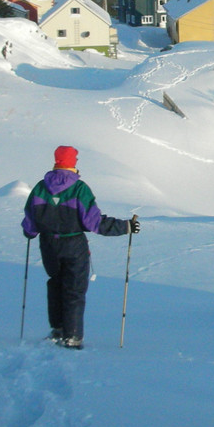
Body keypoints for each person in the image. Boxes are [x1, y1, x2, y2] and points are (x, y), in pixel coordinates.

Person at [22, 145, 139, 349]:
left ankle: (58, 330)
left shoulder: (40, 187)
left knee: (55, 284)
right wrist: (126, 226)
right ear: (73, 163)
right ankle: (73, 336)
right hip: (74, 244)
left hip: (48, 244)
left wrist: (30, 233)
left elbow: (30, 222)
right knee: (74, 290)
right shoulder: (79, 189)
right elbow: (93, 223)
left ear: (56, 161)